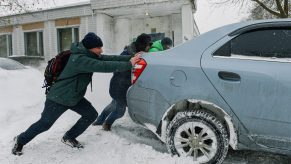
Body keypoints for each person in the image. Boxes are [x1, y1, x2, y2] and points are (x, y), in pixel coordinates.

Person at [12, 32, 142, 156]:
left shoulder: (89, 55)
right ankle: (20, 139)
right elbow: (103, 66)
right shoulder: (79, 59)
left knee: (91, 114)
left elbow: (108, 58)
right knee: (45, 124)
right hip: (59, 98)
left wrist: (131, 57)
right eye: (98, 47)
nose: (101, 50)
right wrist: (129, 64)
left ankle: (69, 137)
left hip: (74, 97)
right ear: (90, 48)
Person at [92, 33, 152, 131]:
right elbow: (119, 68)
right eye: (147, 45)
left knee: (113, 105)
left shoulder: (136, 53)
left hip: (123, 86)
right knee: (120, 111)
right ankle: (107, 124)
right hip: (119, 86)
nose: (149, 47)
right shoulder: (127, 54)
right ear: (142, 44)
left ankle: (99, 120)